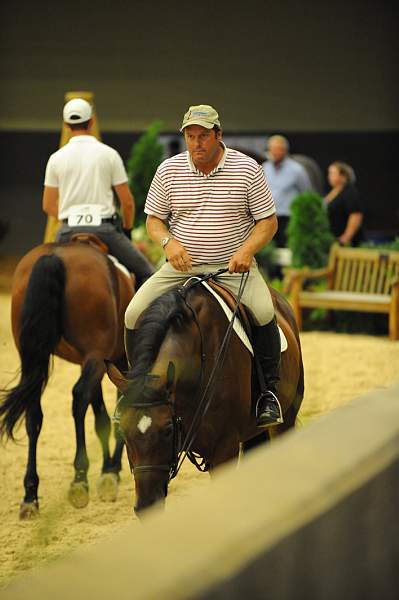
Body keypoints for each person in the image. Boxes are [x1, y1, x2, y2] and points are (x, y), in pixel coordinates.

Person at [124, 104, 283, 428]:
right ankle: (135, 387)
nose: (197, 143)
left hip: (234, 269)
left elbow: (268, 222)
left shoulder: (247, 168)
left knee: (265, 313)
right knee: (132, 313)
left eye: (204, 136)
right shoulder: (168, 170)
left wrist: (247, 249)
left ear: (218, 135)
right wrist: (169, 244)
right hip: (181, 268)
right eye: (191, 136)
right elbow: (154, 220)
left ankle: (269, 393)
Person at [42, 98, 154, 288]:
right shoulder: (109, 154)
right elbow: (127, 202)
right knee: (147, 272)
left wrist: (69, 216)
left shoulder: (56, 158)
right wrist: (126, 230)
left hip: (68, 230)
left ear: (66, 125)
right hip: (105, 230)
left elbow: (47, 205)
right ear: (92, 121)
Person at [262, 135, 313, 247]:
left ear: (285, 150)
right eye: (272, 149)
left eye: (277, 149)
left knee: (286, 251)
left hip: (289, 219)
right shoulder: (264, 168)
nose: (274, 152)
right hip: (268, 218)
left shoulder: (297, 170)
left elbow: (307, 194)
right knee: (269, 251)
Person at [324, 161, 364, 246]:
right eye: (329, 173)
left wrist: (346, 237)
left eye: (332, 173)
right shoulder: (332, 191)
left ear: (343, 176)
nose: (329, 176)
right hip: (331, 238)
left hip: (345, 242)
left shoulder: (349, 192)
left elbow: (355, 215)